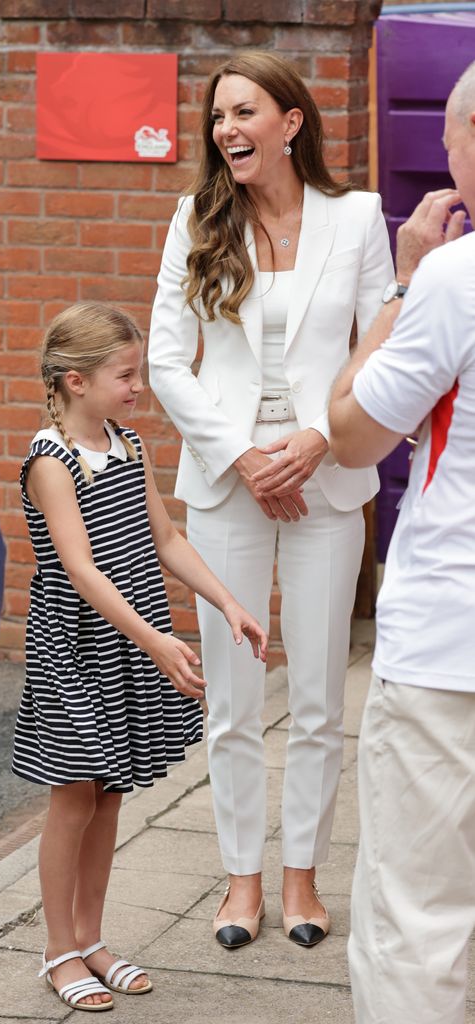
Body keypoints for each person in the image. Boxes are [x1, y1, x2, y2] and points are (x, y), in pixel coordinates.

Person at [148, 50, 394, 950]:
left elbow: (381, 347)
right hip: (226, 486)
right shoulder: (193, 219)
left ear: (290, 122)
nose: (226, 130)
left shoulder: (359, 217)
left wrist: (318, 443)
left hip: (325, 481)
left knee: (323, 693)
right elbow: (165, 363)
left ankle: (302, 879)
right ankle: (241, 880)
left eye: (244, 111)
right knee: (234, 695)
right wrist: (247, 458)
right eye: (218, 116)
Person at [12, 302, 268, 1011]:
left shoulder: (128, 444)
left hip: (128, 642)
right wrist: (155, 640)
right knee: (73, 794)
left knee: (111, 789)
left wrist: (227, 601)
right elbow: (82, 569)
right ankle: (58, 949)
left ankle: (92, 939)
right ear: (74, 381)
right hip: (76, 646)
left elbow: (166, 540)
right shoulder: (50, 460)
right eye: (124, 374)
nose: (138, 386)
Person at [328, 62, 475, 1024]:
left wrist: (405, 283)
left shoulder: (455, 281)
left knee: (418, 920)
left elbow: (350, 429)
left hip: (447, 645)